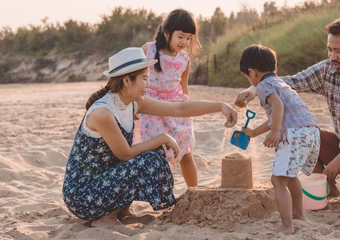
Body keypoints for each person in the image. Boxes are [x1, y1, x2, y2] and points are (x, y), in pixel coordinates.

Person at [62, 47, 237, 227]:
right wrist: (161, 138)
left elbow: (179, 109)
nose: (148, 83)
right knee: (147, 158)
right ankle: (106, 216)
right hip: (83, 195)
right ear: (127, 81)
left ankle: (121, 210)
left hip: (104, 183)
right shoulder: (103, 112)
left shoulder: (132, 103)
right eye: (144, 78)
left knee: (154, 154)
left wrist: (220, 106)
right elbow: (125, 154)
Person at [235, 17, 340, 199]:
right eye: (329, 50)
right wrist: (254, 89)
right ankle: (331, 193)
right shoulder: (327, 70)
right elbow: (292, 82)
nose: (332, 57)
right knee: (304, 137)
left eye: (338, 51)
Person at [239, 45, 320, 234]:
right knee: (290, 176)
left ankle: (287, 225)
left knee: (277, 180)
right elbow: (277, 114)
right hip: (311, 131)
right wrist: (253, 133)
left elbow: (277, 106)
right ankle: (298, 214)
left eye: (247, 76)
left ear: (252, 72)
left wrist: (276, 131)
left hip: (295, 133)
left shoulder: (263, 86)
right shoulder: (282, 84)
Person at [134, 9, 201, 187]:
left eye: (188, 38)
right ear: (166, 32)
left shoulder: (184, 59)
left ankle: (193, 192)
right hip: (151, 109)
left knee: (186, 154)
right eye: (180, 36)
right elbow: (133, 79)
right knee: (157, 155)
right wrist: (133, 105)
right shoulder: (148, 50)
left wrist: (187, 110)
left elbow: (183, 88)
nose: (184, 42)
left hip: (177, 110)